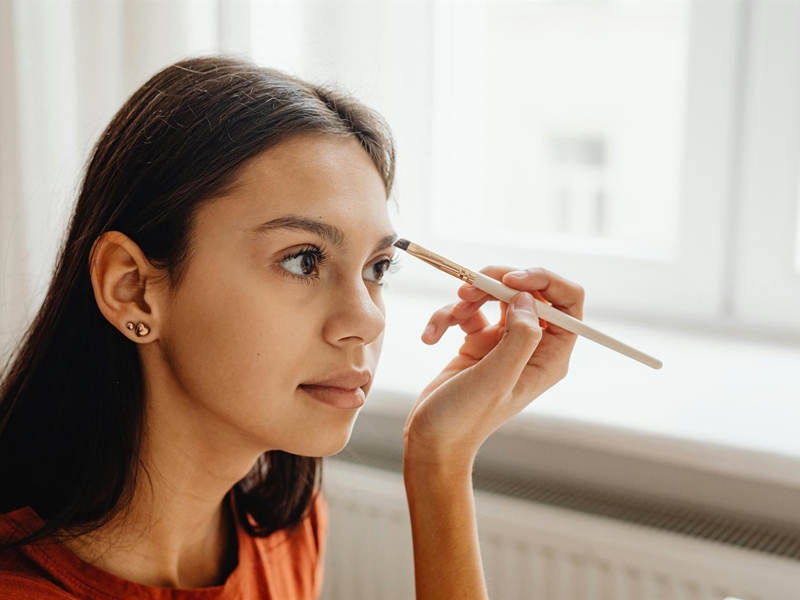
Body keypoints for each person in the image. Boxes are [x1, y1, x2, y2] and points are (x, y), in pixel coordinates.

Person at [0, 55, 584, 599]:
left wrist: (441, 458)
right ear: (132, 287)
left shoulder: (283, 530)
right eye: (303, 259)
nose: (367, 318)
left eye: (378, 268)